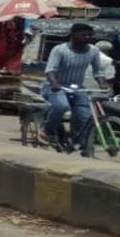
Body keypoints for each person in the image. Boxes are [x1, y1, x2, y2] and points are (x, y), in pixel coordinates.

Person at [42, 23, 108, 153]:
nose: (87, 37)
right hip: (55, 87)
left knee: (85, 116)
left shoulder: (93, 51)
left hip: (77, 88)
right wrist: (55, 83)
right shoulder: (60, 50)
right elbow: (50, 70)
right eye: (84, 35)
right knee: (61, 106)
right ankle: (47, 131)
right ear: (72, 35)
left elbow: (98, 71)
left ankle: (84, 144)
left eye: (90, 35)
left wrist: (102, 84)